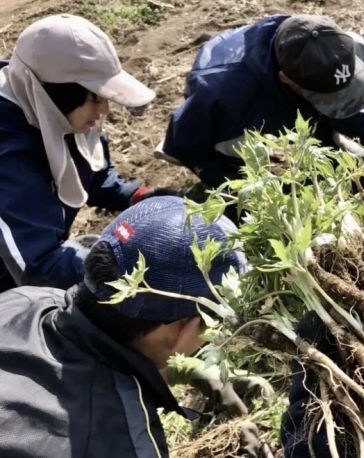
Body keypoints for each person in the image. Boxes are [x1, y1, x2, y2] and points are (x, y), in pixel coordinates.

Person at [0, 196, 268, 457]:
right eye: (210, 328)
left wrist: (185, 369)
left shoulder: (25, 300)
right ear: (183, 327)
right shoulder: (123, 445)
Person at [0, 14, 173, 292]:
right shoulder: (9, 151)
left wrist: (139, 197)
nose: (104, 110)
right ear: (56, 94)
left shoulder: (50, 108)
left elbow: (90, 175)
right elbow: (39, 266)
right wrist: (139, 272)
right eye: (95, 97)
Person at [161, 14, 364, 188]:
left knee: (322, 119)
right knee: (236, 166)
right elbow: (186, 144)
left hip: (280, 88)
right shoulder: (221, 95)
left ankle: (328, 142)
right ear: (285, 79)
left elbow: (336, 91)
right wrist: (239, 189)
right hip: (232, 116)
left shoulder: (319, 39)